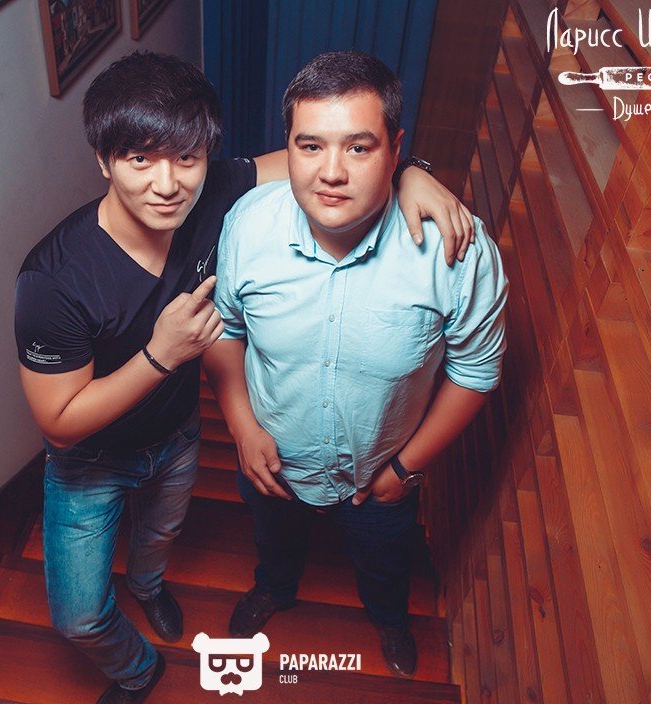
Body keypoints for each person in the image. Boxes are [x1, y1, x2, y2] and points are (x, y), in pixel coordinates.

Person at [14, 51, 477, 703]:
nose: (166, 184)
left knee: (159, 538)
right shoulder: (53, 280)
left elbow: (320, 159)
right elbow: (58, 425)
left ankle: (149, 587)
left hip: (176, 440)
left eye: (186, 157)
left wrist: (413, 175)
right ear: (103, 160)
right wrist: (161, 355)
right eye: (139, 159)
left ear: (206, 155)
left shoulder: (215, 195)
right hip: (90, 463)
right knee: (79, 616)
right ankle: (140, 671)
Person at [205, 50, 509, 679]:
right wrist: (241, 426)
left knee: (384, 562)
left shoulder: (457, 251)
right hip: (270, 457)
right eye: (310, 146)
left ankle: (390, 619)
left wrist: (404, 467)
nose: (332, 173)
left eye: (359, 148)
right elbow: (225, 329)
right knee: (272, 542)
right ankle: (275, 587)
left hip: (382, 473)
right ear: (288, 147)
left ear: (396, 151)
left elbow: (475, 372)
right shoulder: (246, 225)